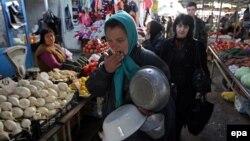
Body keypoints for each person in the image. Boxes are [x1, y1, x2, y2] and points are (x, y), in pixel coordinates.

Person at [86, 11, 175, 141]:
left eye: (120, 40)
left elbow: (168, 97)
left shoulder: (150, 61)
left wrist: (155, 111)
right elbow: (93, 89)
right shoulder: (106, 60)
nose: (114, 46)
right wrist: (105, 71)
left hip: (140, 132)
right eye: (109, 40)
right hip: (115, 128)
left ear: (132, 35)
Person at [158, 14, 210, 141]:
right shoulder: (166, 45)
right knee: (167, 117)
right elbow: (159, 66)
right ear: (175, 27)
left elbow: (203, 68)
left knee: (180, 119)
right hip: (168, 90)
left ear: (190, 28)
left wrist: (204, 86)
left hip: (187, 91)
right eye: (179, 25)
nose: (181, 29)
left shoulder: (197, 46)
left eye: (185, 26)